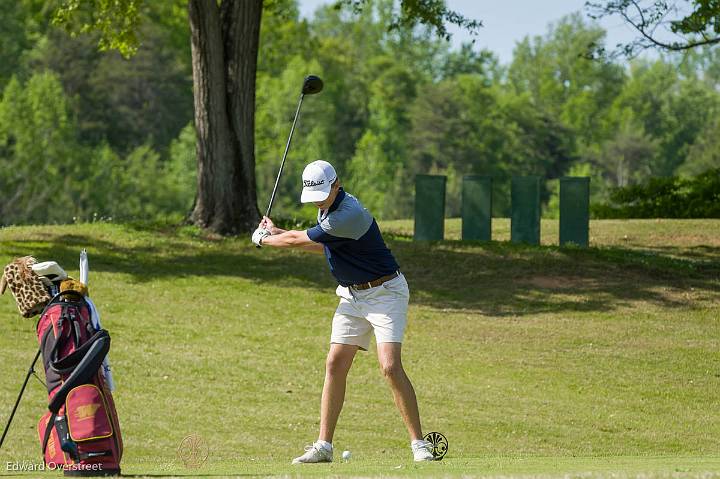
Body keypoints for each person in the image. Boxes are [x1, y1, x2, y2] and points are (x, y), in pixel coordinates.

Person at [251, 160, 435, 464]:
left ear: (337, 184)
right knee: (335, 363)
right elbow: (322, 245)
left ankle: (419, 445)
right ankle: (324, 446)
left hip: (385, 293)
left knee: (389, 366)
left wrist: (266, 239)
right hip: (352, 296)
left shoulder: (348, 213)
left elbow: (302, 240)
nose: (320, 200)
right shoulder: (328, 209)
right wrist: (277, 232)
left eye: (324, 193)